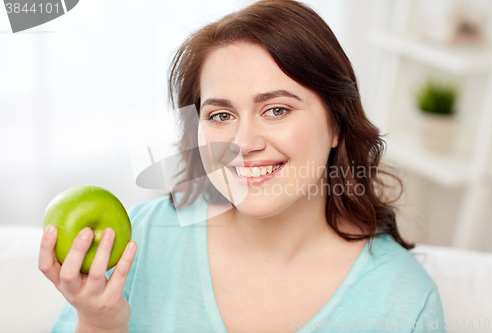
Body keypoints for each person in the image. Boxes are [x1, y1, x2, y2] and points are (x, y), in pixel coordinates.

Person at [40, 0, 447, 332]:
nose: (244, 144)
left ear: (337, 123)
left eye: (276, 109)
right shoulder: (139, 242)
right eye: (220, 116)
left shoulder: (405, 301)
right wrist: (99, 323)